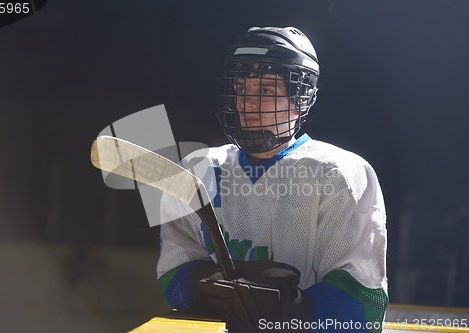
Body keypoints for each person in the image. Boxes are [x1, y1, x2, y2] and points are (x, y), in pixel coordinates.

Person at [157, 26, 388, 332]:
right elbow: (174, 274)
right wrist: (207, 286)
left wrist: (289, 309)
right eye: (240, 89)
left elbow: (362, 302)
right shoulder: (198, 168)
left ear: (300, 97)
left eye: (265, 91)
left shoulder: (342, 173)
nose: (247, 103)